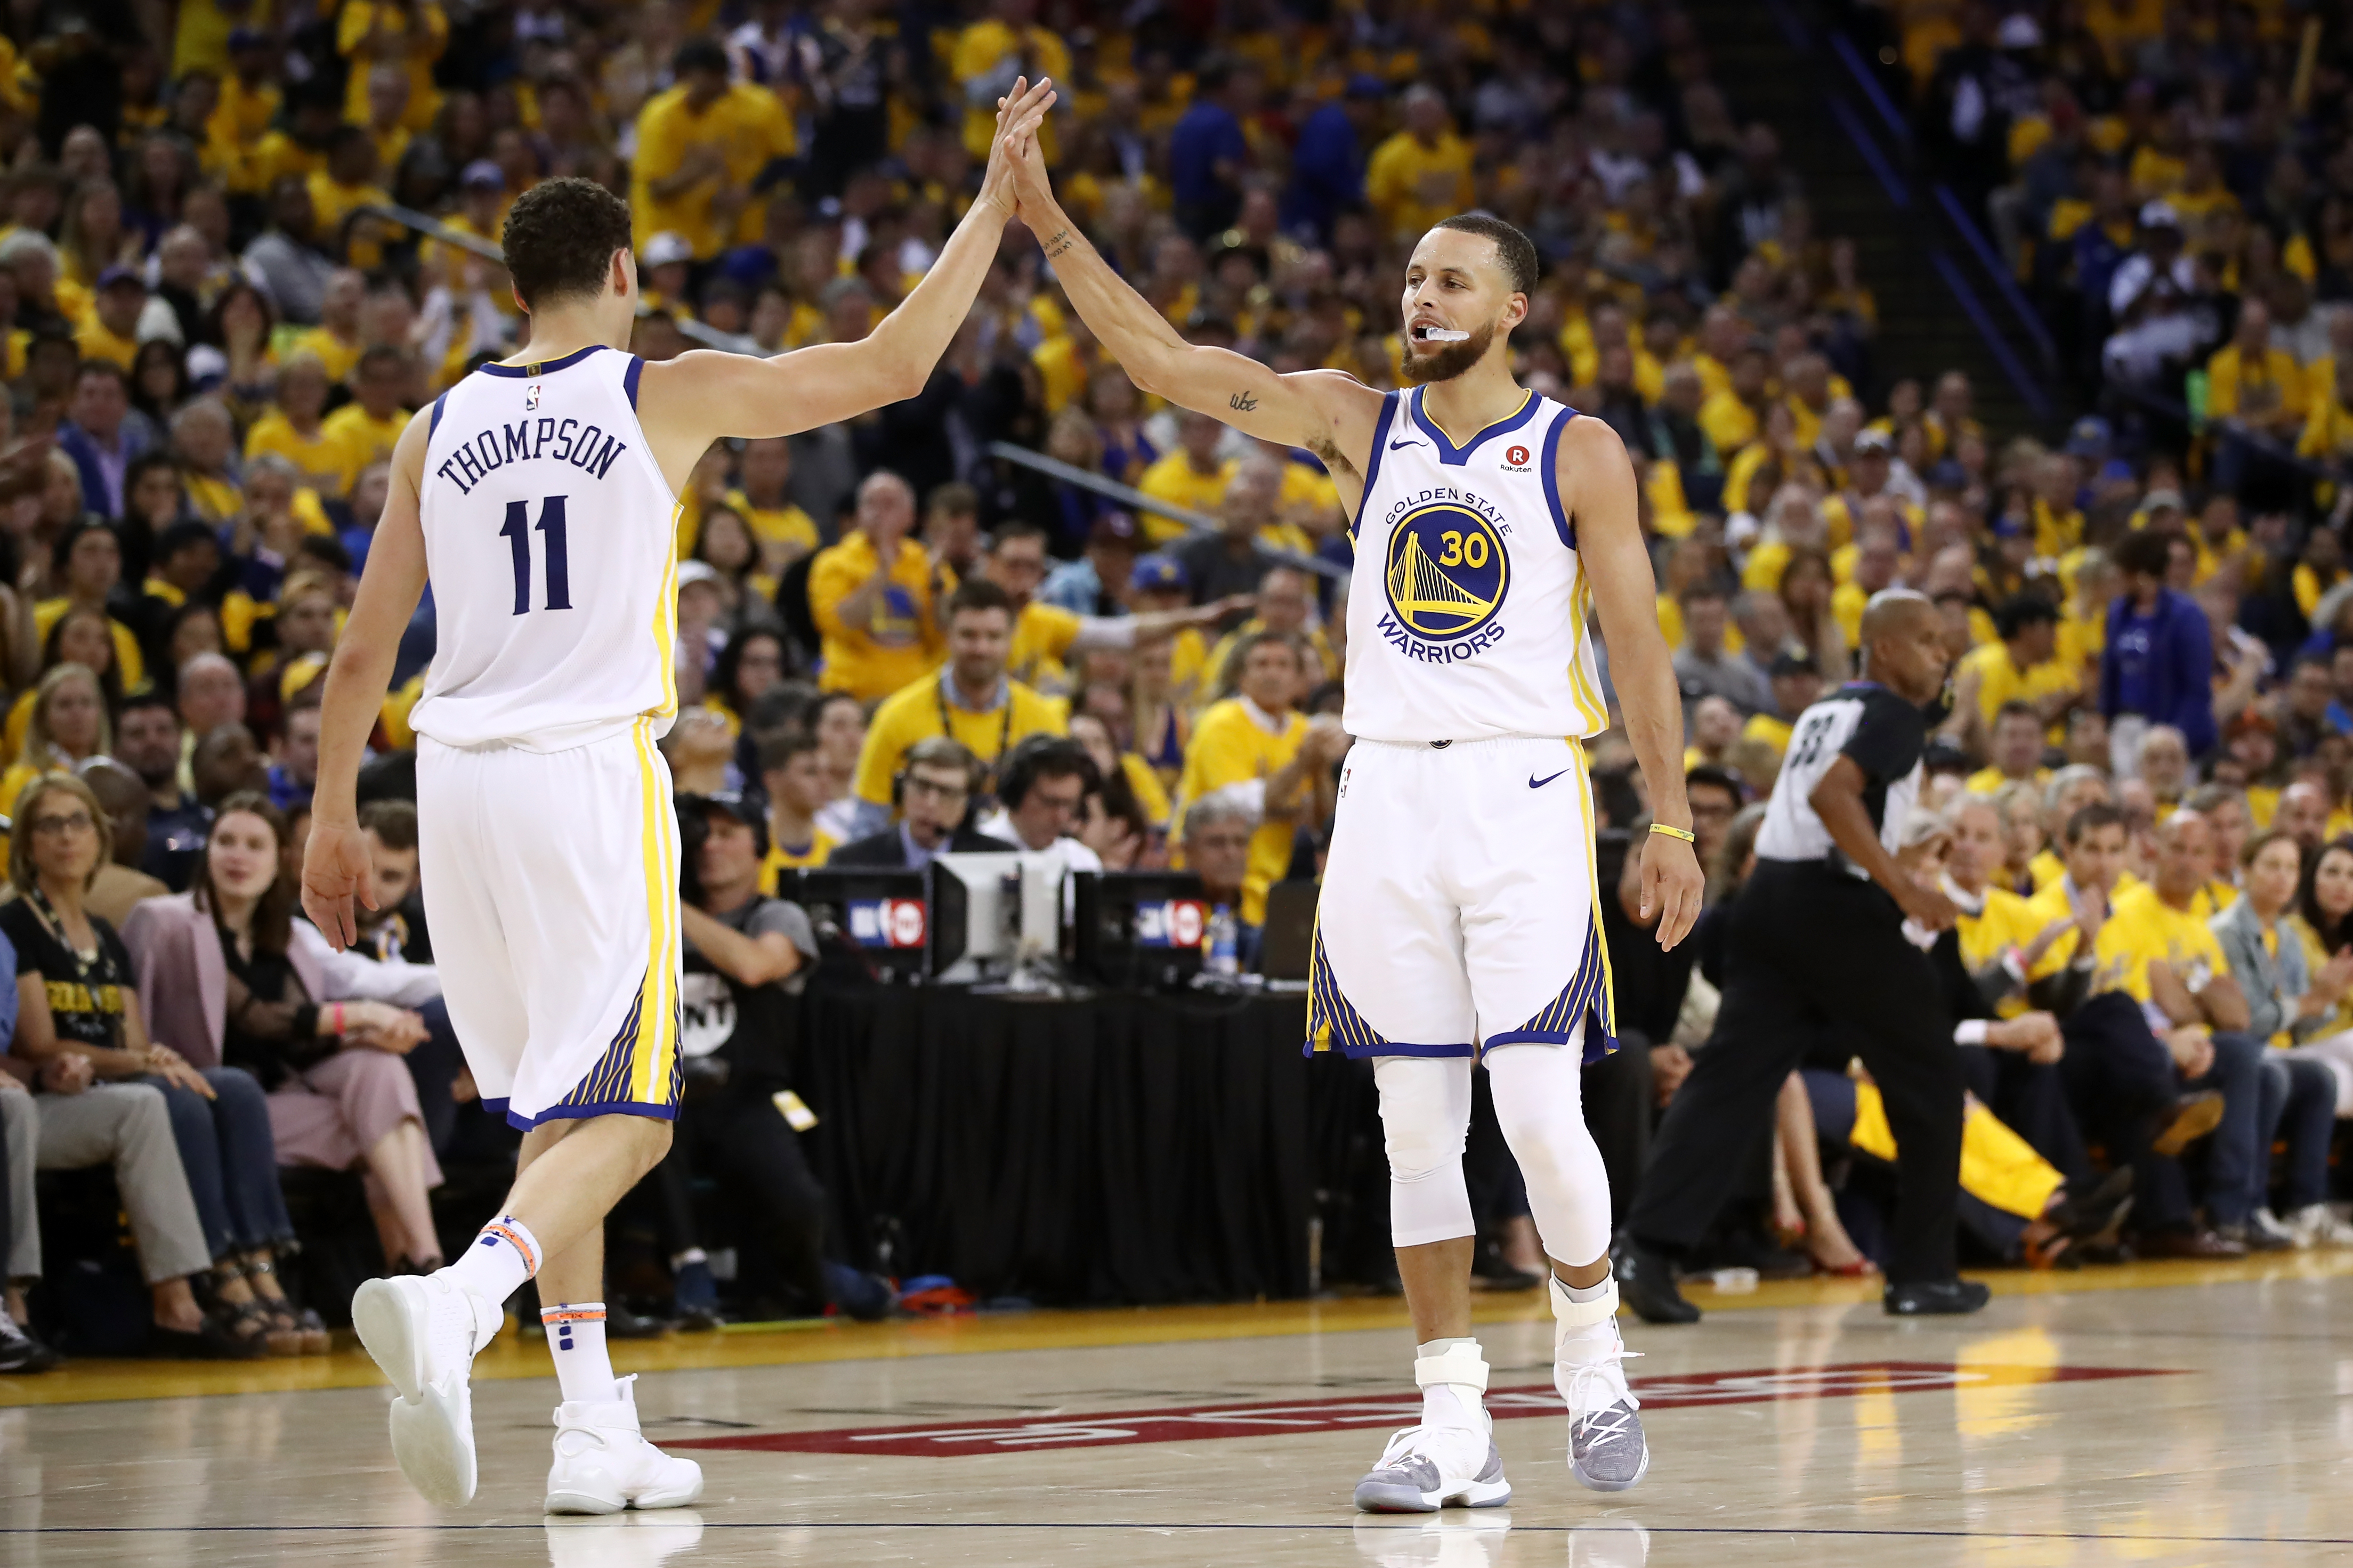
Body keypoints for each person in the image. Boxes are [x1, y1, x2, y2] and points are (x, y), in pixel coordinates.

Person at [298, 82, 1058, 1517]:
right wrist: (990, 204)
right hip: (584, 772)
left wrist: (336, 811)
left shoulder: (432, 426)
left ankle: (592, 1427)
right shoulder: (657, 387)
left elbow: (358, 651)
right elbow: (893, 364)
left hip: (446, 780)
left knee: (558, 1102)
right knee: (638, 1113)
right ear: (626, 276)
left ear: (514, 284)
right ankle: (462, 1301)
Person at [1016, 141, 1701, 1502]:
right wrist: (1040, 218)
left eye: (1451, 280)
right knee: (1410, 1124)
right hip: (1382, 789)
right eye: (1410, 278)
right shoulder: (1350, 418)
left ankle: (1588, 1349)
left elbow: (1633, 644)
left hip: (1519, 784)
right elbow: (1160, 361)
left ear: (1514, 308)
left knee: (1537, 1109)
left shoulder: (1577, 448)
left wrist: (1670, 817)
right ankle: (1450, 1418)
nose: (1421, 296)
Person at [1621, 591, 1985, 1323]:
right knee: (1931, 1079)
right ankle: (1921, 1273)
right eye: (1924, 640)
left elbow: (1821, 802)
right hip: (1835, 910)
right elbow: (1832, 797)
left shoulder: (1825, 709)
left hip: (1768, 902)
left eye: (1943, 643)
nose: (1940, 654)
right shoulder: (1891, 714)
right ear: (1881, 649)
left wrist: (1888, 868)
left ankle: (1644, 1248)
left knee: (1729, 1080)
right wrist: (1903, 887)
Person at [2, 772, 273, 1360]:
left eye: (79, 823)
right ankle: (30, 1304)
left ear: (100, 839)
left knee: (185, 1094)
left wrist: (143, 1059)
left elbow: (135, 1039)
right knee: (147, 1097)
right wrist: (139, 1060)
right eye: (50, 825)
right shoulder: (18, 923)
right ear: (27, 845)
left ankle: (209, 1288)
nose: (67, 837)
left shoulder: (104, 934)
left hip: (92, 1097)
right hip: (36, 1101)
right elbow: (39, 1042)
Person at [127, 792, 442, 1278]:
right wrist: (363, 1017)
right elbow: (259, 1018)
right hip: (209, 1105)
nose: (238, 855)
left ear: (280, 861)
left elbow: (302, 1033)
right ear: (207, 851)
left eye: (255, 845)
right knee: (383, 1127)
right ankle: (422, 1274)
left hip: (277, 1099)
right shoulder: (165, 919)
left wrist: (368, 1033)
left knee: (378, 1069)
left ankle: (421, 1257)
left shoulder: (288, 936)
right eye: (226, 841)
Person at [656, 791, 892, 1323]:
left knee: (797, 1198)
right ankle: (689, 1269)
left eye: (726, 834)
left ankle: (818, 1276)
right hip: (670, 1092)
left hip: (748, 1095)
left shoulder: (778, 914)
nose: (710, 847)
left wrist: (666, 902)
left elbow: (753, 967)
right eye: (702, 836)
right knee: (639, 1125)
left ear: (758, 849)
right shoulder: (656, 915)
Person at [2210, 828, 2353, 1247]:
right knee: (2277, 1073)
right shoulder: (2228, 931)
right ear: (2244, 871)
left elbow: (2302, 1021)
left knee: (2316, 1078)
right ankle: (2249, 1205)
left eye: (2290, 867)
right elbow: (2250, 1020)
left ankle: (2304, 1205)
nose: (2282, 876)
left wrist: (2322, 998)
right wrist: (2318, 999)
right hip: (2238, 1050)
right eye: (2271, 865)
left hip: (2286, 1049)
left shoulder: (2284, 936)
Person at [850, 578, 1066, 816]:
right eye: (968, 635)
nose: (981, 648)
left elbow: (1060, 814)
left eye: (993, 637)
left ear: (1011, 639)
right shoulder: (897, 716)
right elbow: (869, 822)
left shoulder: (1043, 721)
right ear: (948, 635)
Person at [829, 736, 1018, 868]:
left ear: (968, 803)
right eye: (921, 786)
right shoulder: (852, 862)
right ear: (902, 789)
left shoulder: (999, 861)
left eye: (947, 792)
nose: (931, 803)